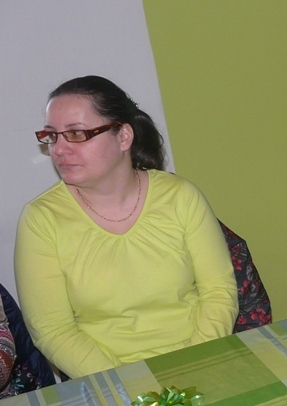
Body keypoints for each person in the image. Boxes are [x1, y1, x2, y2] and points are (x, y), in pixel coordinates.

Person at [15, 76, 238, 379]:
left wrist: (195, 366)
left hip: (200, 359)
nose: (59, 150)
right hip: (106, 378)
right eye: (52, 136)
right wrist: (129, 385)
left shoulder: (180, 196)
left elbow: (218, 291)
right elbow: (52, 329)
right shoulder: (41, 219)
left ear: (123, 137)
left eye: (76, 133)